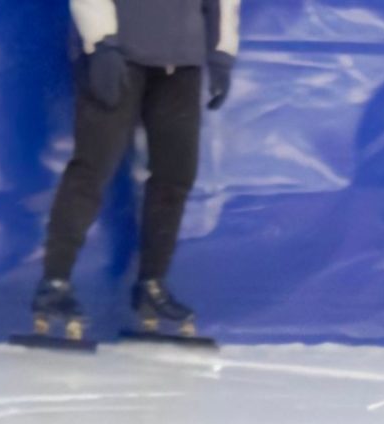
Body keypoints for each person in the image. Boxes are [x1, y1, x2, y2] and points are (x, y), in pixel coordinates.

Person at [29, 1, 240, 343]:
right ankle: (55, 283)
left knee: (175, 176)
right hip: (117, 52)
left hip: (182, 61)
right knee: (93, 167)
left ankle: (151, 286)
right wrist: (101, 42)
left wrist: (221, 53)